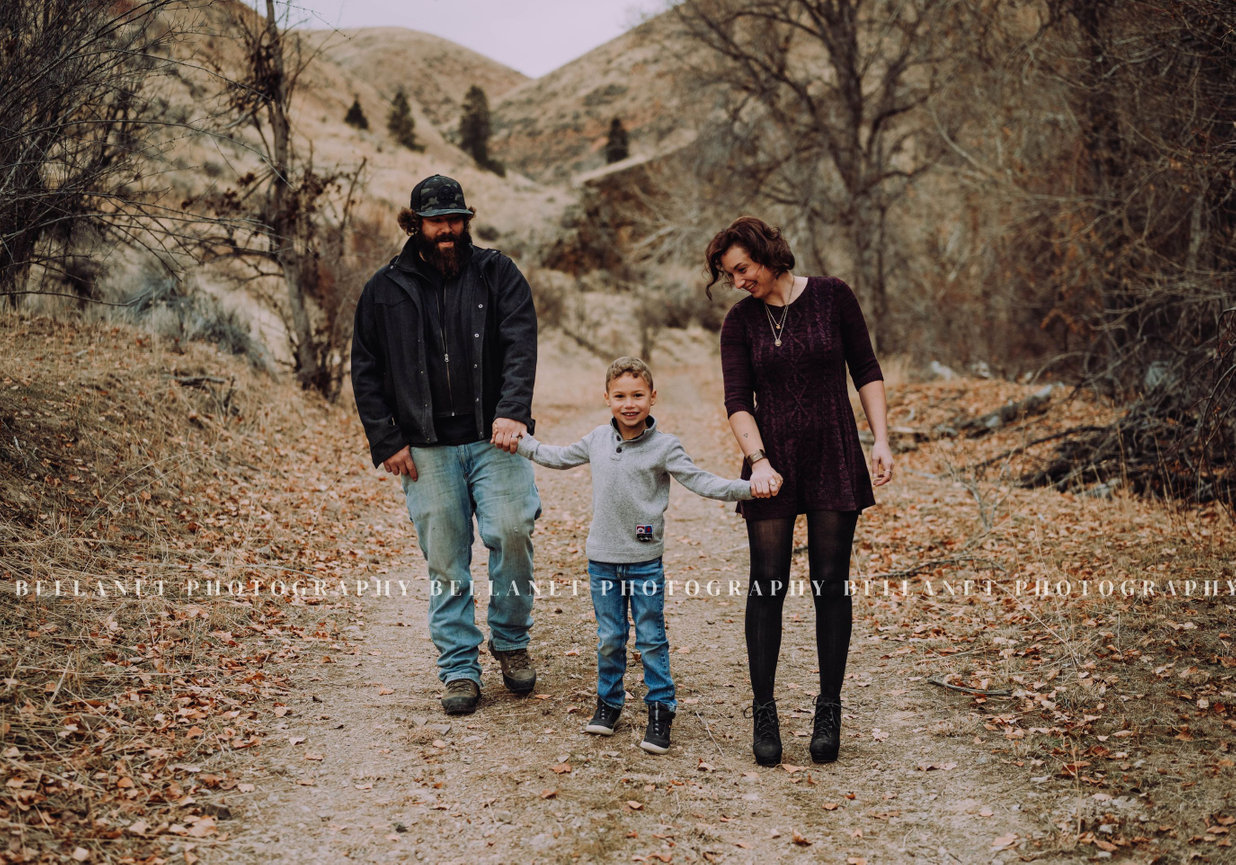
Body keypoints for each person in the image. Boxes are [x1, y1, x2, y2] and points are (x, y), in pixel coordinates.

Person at [704, 216, 894, 766]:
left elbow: (866, 369)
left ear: (769, 255)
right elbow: (737, 399)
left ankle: (828, 707)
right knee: (767, 584)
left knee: (831, 583)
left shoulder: (834, 296)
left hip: (834, 452)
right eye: (728, 274)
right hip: (773, 462)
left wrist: (880, 440)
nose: (738, 281)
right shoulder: (739, 322)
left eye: (742, 269)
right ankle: (764, 710)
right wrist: (758, 461)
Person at [351, 174, 541, 716]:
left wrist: (512, 412)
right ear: (417, 224)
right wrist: (387, 439)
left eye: (456, 219)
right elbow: (365, 369)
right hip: (425, 449)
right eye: (437, 220)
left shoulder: (496, 272)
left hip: (495, 440)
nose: (449, 230)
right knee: (446, 560)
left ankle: (510, 642)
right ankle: (459, 667)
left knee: (512, 532)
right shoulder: (384, 289)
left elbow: (520, 343)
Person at [515, 357, 770, 754]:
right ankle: (608, 703)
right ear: (607, 398)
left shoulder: (665, 447)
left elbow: (701, 480)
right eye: (620, 396)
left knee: (651, 637)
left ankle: (660, 709)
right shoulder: (598, 438)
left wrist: (749, 487)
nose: (629, 403)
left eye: (637, 395)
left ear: (653, 397)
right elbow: (558, 456)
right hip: (601, 559)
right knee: (610, 637)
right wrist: (520, 441)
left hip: (645, 561)